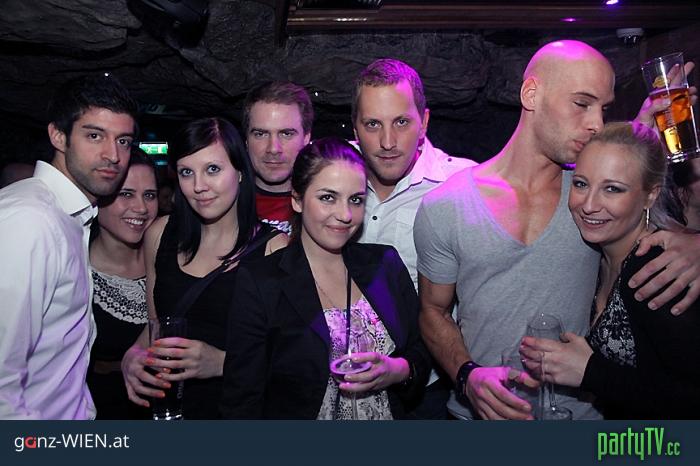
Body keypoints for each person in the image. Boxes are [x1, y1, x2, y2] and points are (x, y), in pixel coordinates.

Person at [414, 40, 700, 420]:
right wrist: (467, 375)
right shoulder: (445, 205)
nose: (596, 123)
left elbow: (642, 196)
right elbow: (433, 311)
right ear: (531, 94)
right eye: (582, 104)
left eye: (603, 109)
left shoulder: (589, 199)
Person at [220, 137, 431, 419]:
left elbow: (421, 349)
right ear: (297, 199)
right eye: (328, 198)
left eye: (355, 200)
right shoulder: (261, 282)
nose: (345, 215)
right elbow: (241, 400)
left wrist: (398, 370)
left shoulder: (384, 264)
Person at [520, 121, 700, 419]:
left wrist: (590, 371)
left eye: (612, 189)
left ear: (650, 195)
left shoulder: (658, 272)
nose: (589, 205)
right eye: (581, 184)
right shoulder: (596, 255)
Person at [121, 117, 287, 419]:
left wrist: (222, 362)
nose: (198, 186)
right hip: (168, 410)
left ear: (239, 172)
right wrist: (132, 354)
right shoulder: (159, 234)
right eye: (187, 172)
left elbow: (290, 359)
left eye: (212, 169)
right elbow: (156, 327)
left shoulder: (275, 249)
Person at [0, 74, 138, 419]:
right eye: (95, 136)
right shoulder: (30, 220)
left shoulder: (69, 217)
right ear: (58, 136)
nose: (113, 155)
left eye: (123, 141)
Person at [352, 58, 477, 419]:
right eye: (372, 124)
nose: (387, 142)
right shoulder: (331, 173)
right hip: (342, 379)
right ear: (355, 126)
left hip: (426, 390)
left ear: (424, 122)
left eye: (401, 122)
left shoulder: (462, 185)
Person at [87, 148, 158, 419]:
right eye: (126, 194)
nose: (141, 208)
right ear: (98, 197)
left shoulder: (172, 261)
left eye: (149, 195)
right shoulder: (74, 271)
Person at [243, 81, 313, 234]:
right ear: (246, 140)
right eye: (260, 134)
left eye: (286, 134)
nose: (273, 149)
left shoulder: (326, 204)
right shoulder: (226, 205)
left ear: (306, 138)